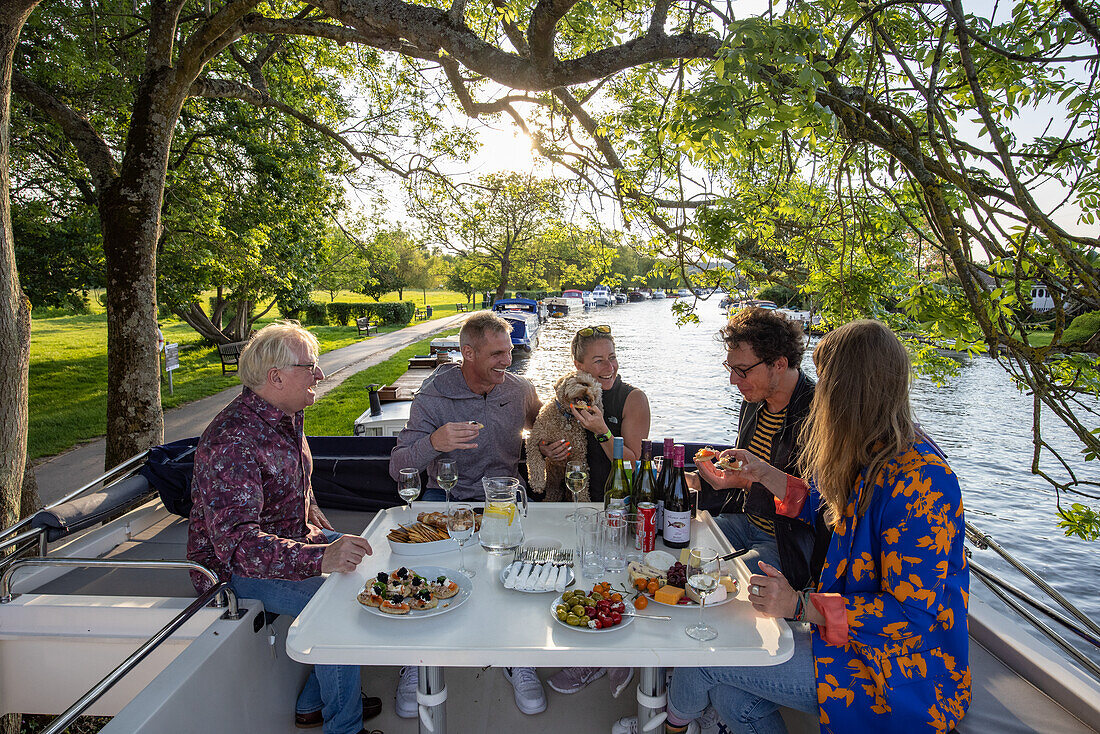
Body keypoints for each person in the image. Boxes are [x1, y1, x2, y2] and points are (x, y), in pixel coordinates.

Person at [620, 320, 971, 734]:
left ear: (853, 391)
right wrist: (766, 474)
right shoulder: (870, 451)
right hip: (846, 636)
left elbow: (912, 616)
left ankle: (666, 726)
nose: (819, 394)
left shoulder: (921, 480)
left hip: (897, 672)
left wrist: (800, 606)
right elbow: (826, 509)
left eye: (828, 381)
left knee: (709, 658)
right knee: (732, 699)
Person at [187, 321, 382, 734]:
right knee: (340, 608)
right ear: (276, 377)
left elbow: (291, 479)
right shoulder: (233, 440)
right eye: (311, 366)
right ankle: (343, 727)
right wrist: (321, 555)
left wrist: (310, 509)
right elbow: (238, 547)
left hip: (291, 541)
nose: (321, 375)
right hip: (233, 572)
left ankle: (314, 702)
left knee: (368, 566)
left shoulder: (286, 416)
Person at [388, 311, 546, 716]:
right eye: (496, 354)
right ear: (468, 353)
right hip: (449, 501)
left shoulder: (520, 390)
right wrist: (436, 442)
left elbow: (543, 432)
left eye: (509, 352)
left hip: (504, 501)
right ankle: (417, 662)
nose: (506, 361)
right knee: (431, 573)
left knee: (520, 579)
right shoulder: (433, 397)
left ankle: (519, 657)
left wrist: (548, 449)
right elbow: (398, 464)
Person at [542, 324, 650, 698]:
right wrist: (547, 454)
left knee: (614, 575)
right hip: (574, 506)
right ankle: (592, 649)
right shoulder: (565, 400)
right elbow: (547, 449)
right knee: (579, 572)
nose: (610, 366)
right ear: (578, 365)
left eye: (613, 357)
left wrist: (603, 430)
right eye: (599, 360)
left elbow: (634, 465)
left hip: (619, 506)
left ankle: (617, 654)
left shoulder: (632, 399)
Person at [691, 307, 819, 592]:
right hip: (743, 520)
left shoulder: (820, 413)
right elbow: (744, 478)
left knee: (714, 583)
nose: (733, 380)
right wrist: (707, 479)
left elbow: (820, 505)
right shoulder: (752, 402)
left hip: (786, 543)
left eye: (743, 370)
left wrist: (747, 483)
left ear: (779, 363)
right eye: (731, 368)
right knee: (681, 548)